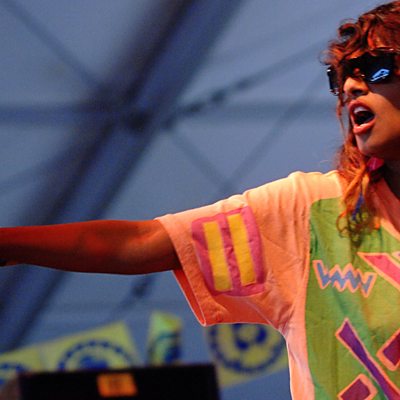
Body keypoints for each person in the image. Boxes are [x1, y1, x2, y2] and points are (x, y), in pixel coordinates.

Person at [1, 1, 400, 398]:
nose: (351, 86)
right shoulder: (312, 211)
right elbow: (137, 243)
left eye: (376, 67)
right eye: (341, 77)